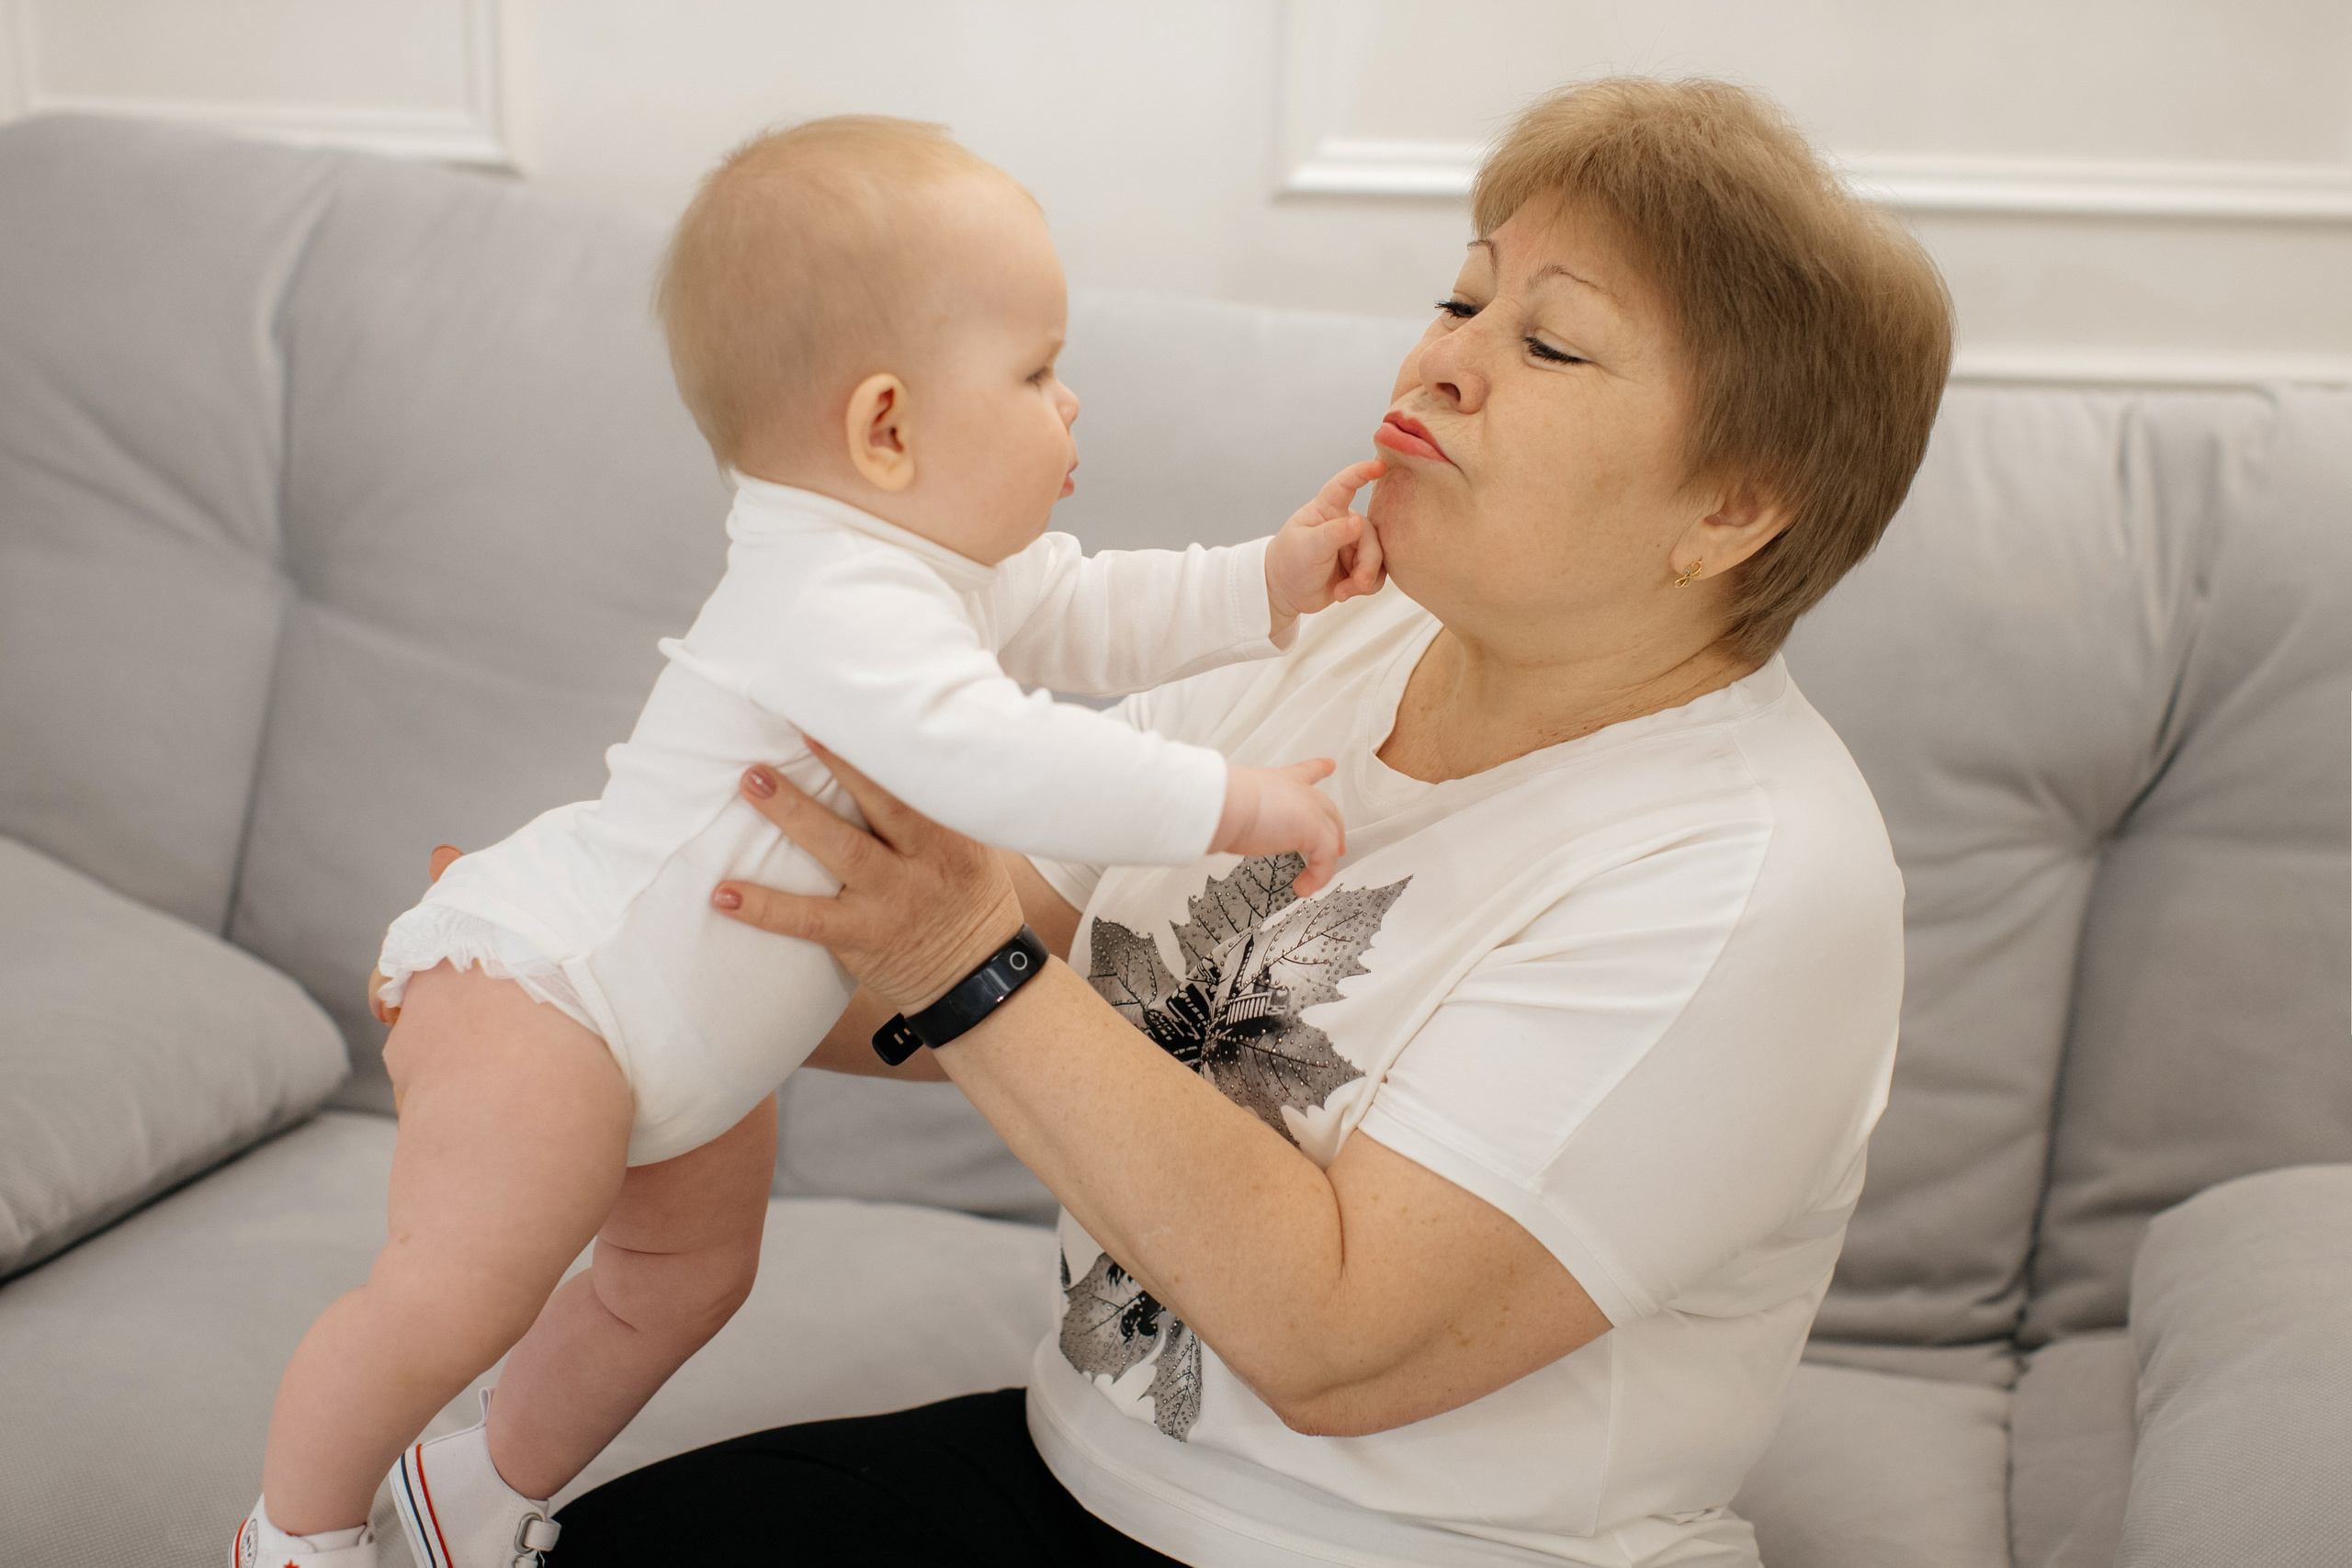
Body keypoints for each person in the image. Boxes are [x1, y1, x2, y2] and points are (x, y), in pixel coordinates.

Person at [545, 76, 1954, 1568]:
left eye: (1546, 340)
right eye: (1460, 300)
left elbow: (1338, 1336)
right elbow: (955, 932)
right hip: (1075, 1472)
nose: (1445, 362)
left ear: (1733, 508)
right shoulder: (1342, 638)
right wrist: (586, 969)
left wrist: (958, 954)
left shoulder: (1753, 877)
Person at [237, 118, 1385, 1568]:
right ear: (887, 428)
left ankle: (468, 1499)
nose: (1073, 403)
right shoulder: (828, 598)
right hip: (557, 1000)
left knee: (684, 1279)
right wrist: (1234, 799)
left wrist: (1265, 583)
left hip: (688, 1045)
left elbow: (1091, 608)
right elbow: (1001, 755)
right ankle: (295, 1531)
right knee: (452, 1297)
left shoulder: (920, 572)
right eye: (1038, 372)